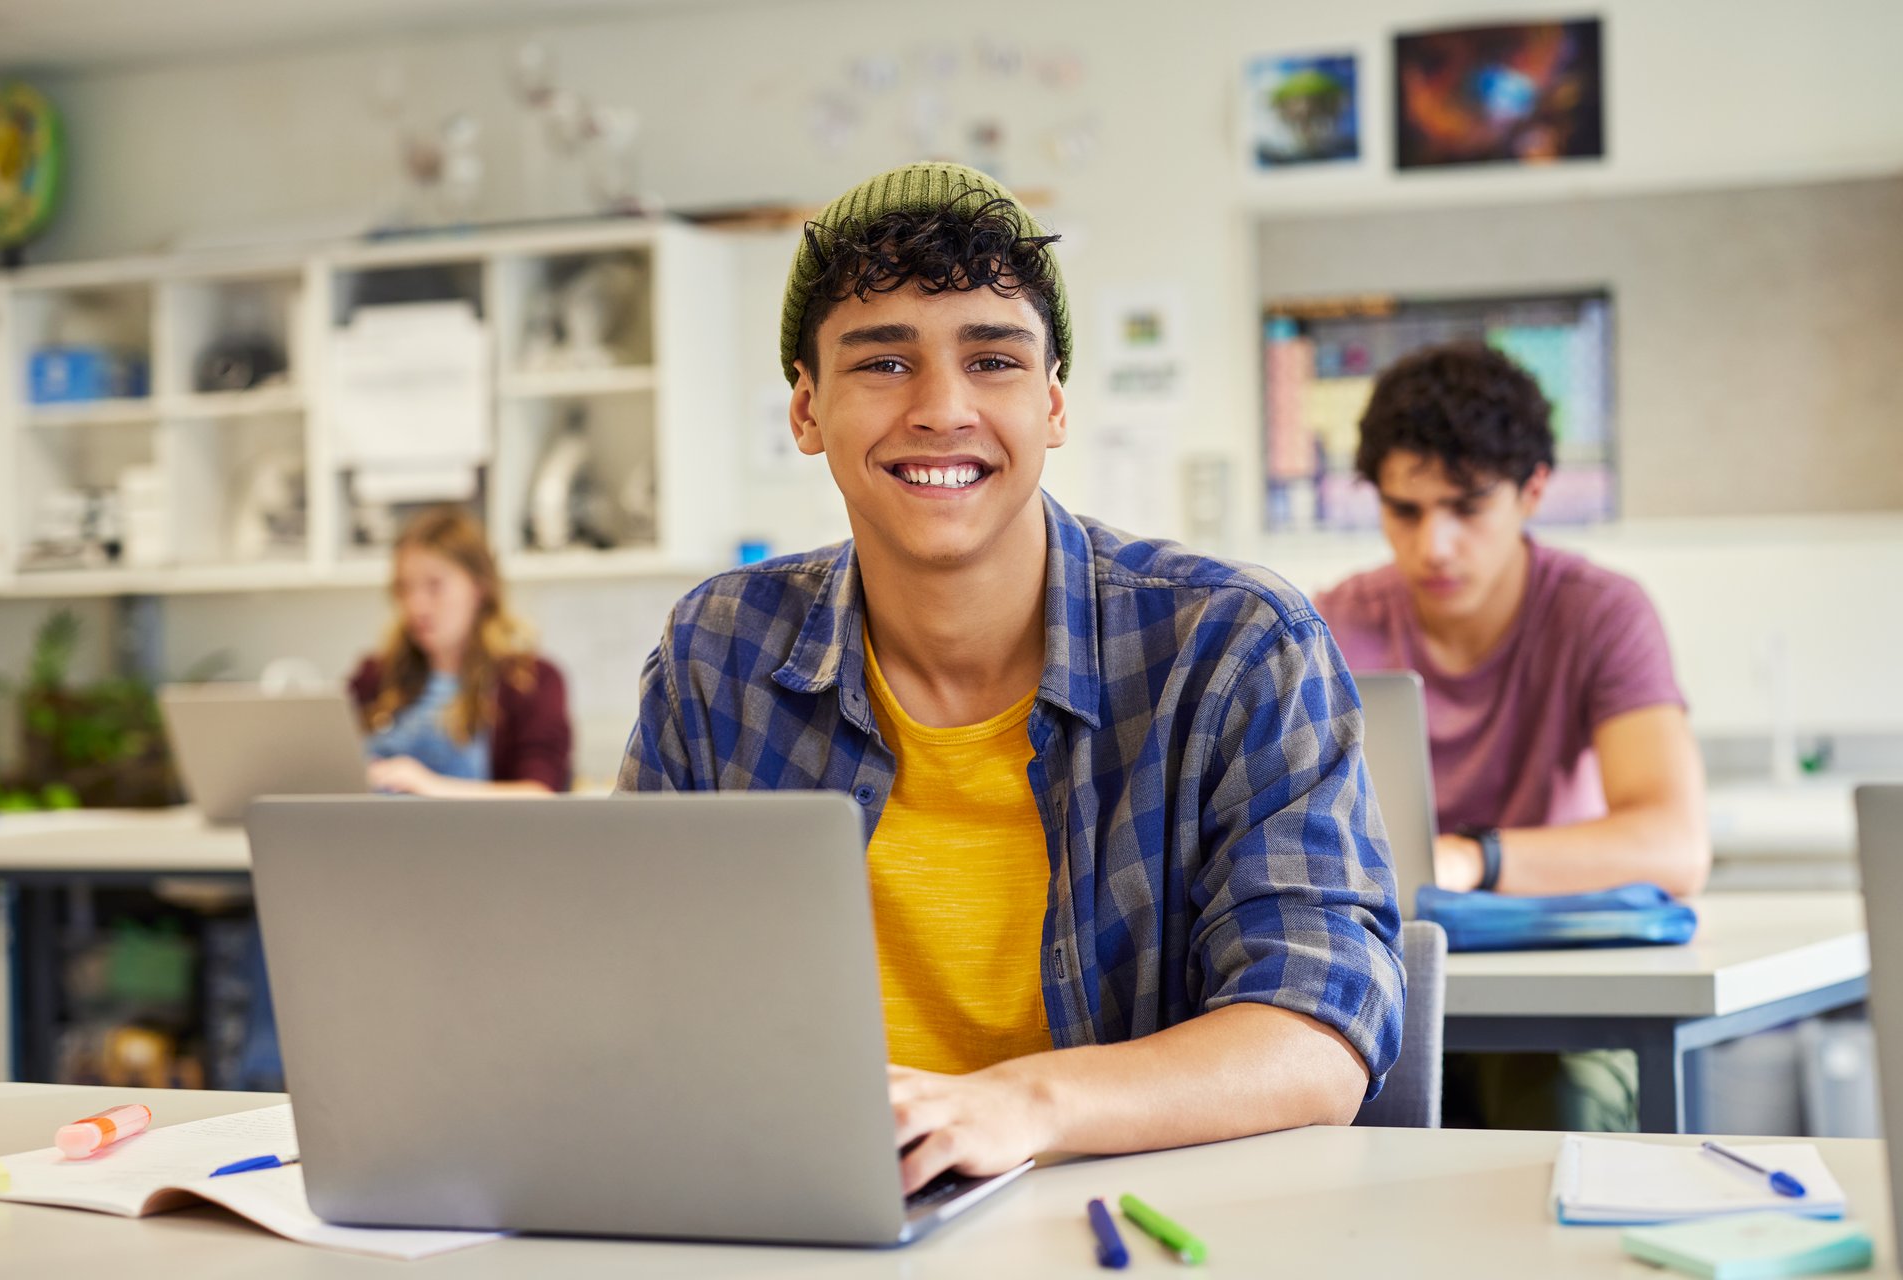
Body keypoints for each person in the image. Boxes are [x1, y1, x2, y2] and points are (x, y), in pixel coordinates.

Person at [618, 162, 1403, 1193]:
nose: (943, 409)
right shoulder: (716, 653)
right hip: (805, 1221)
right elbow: (634, 1003)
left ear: (1053, 403)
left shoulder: (1235, 646)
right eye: (884, 362)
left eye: (993, 360)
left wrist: (1021, 1105)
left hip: (1128, 1226)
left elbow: (1319, 1027)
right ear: (806, 410)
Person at [1315, 342, 1710, 1129]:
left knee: (1560, 1104)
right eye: (1405, 511)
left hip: (1554, 983)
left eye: (1467, 507)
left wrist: (1473, 858)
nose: (1434, 545)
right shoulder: (1329, 623)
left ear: (1533, 491)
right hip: (1387, 977)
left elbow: (1674, 846)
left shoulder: (1602, 615)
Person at [349, 506, 572, 796]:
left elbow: (538, 795)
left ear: (479, 587)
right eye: (405, 588)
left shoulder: (531, 681)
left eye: (435, 586)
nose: (416, 606)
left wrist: (427, 785)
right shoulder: (374, 676)